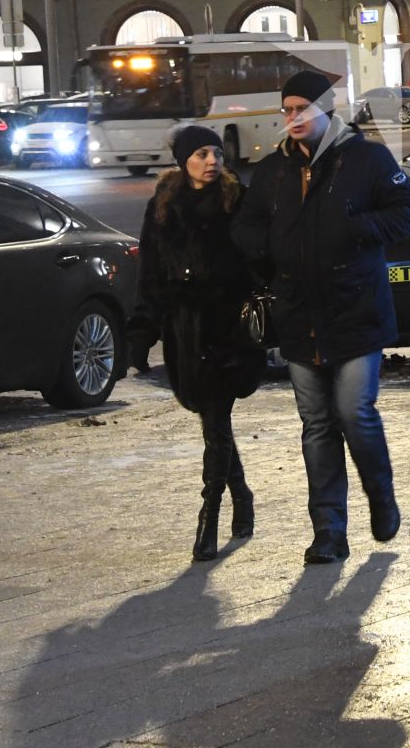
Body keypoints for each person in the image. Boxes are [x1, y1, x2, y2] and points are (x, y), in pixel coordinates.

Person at [233, 68, 410, 565]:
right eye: (287, 110)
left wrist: (356, 227)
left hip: (355, 312)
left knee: (354, 414)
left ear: (325, 109)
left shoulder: (365, 158)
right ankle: (329, 533)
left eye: (301, 109)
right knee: (316, 425)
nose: (292, 118)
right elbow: (248, 227)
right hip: (299, 316)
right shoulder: (273, 170)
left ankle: (381, 500)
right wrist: (267, 251)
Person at [128, 126, 264, 562]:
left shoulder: (236, 201)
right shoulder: (164, 207)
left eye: (217, 152)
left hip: (227, 328)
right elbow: (150, 276)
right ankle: (241, 493)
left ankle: (210, 514)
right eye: (202, 153)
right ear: (183, 160)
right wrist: (142, 334)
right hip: (185, 330)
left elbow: (259, 261)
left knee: (216, 418)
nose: (212, 160)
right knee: (213, 419)